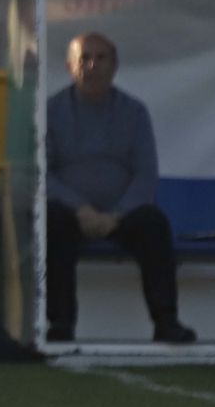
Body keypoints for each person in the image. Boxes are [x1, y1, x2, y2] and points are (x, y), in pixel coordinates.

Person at [44, 33, 195, 344]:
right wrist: (81, 209)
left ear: (115, 66)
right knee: (50, 221)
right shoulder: (50, 112)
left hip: (121, 216)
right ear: (69, 66)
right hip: (71, 215)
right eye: (84, 58)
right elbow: (42, 175)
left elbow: (145, 175)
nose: (92, 65)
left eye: (101, 58)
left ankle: (166, 322)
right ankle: (60, 324)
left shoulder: (134, 112)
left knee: (153, 223)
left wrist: (117, 214)